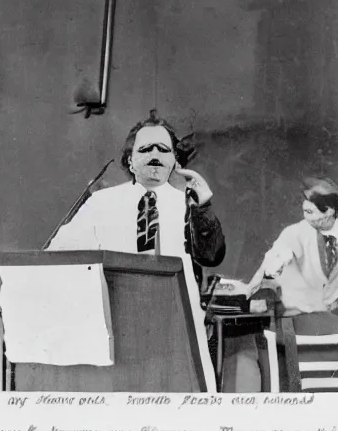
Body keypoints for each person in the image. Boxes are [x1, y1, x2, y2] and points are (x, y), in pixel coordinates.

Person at [48, 110, 226, 392]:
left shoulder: (189, 205)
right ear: (130, 161)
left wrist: (203, 205)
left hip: (176, 330)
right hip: (119, 330)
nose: (155, 155)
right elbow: (57, 253)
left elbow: (211, 256)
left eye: (164, 149)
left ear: (174, 161)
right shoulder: (101, 203)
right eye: (145, 149)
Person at [223, 177, 338, 392]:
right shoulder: (295, 232)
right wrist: (270, 270)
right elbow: (276, 256)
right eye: (304, 211)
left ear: (329, 212)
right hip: (297, 318)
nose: (305, 217)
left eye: (310, 212)